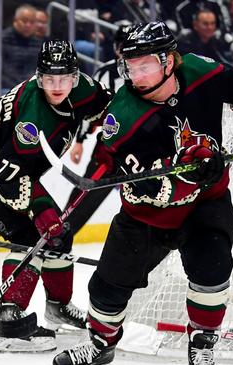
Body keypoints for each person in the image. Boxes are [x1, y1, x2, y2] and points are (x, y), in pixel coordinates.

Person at [53, 21, 233, 365]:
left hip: (206, 205)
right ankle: (100, 344)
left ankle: (202, 344)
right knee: (107, 288)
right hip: (146, 215)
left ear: (169, 60)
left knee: (212, 270)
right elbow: (147, 189)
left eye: (145, 65)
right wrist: (190, 175)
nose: (135, 76)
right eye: (130, 67)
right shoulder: (122, 118)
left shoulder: (199, 70)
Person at [0, 39, 112, 353]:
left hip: (17, 169)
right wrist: (41, 211)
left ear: (75, 76)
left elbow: (113, 108)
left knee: (60, 235)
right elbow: (10, 178)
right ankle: (10, 316)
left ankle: (58, 307)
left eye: (63, 78)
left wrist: (112, 140)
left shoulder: (85, 88)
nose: (57, 86)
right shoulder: (33, 118)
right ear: (39, 78)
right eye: (49, 79)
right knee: (29, 235)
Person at [64, 22, 130, 235]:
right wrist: (80, 142)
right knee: (86, 194)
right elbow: (91, 108)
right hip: (110, 147)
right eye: (121, 45)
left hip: (145, 147)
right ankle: (60, 234)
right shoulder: (105, 73)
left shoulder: (150, 71)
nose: (124, 50)